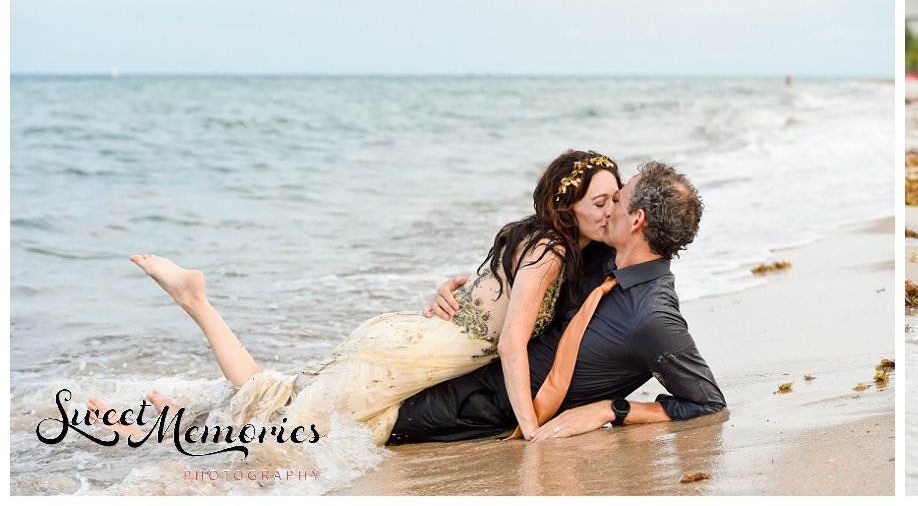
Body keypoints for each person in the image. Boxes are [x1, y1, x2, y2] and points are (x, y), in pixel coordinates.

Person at [100, 150, 624, 444]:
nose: (607, 212)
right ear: (568, 205)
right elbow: (511, 344)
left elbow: (478, 300)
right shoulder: (551, 249)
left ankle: (171, 389)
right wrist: (530, 429)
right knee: (285, 437)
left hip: (407, 340)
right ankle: (183, 337)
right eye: (597, 202)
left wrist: (447, 294)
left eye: (613, 201)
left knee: (280, 401)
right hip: (410, 357)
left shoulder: (534, 237)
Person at [387, 161, 725, 443]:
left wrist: (611, 409)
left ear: (636, 220)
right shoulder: (597, 250)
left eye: (617, 200)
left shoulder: (653, 318)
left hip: (478, 409)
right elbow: (519, 274)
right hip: (461, 364)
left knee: (368, 428)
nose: (608, 210)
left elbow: (708, 403)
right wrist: (457, 295)